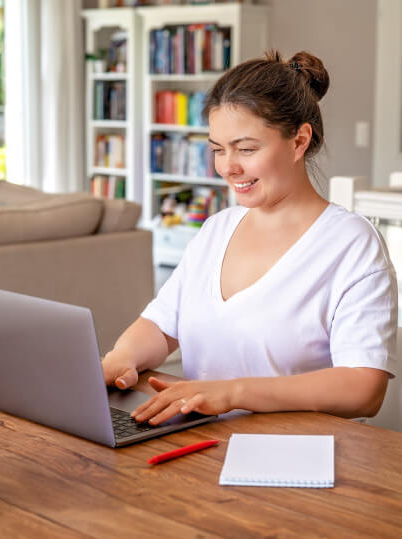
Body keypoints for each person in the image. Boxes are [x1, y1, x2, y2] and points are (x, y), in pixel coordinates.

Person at [102, 50, 398, 426]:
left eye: (246, 149)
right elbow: (161, 326)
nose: (228, 167)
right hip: (198, 442)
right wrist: (120, 357)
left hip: (299, 455)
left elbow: (363, 388)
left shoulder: (352, 245)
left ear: (299, 141)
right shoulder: (217, 229)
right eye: (217, 150)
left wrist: (231, 393)